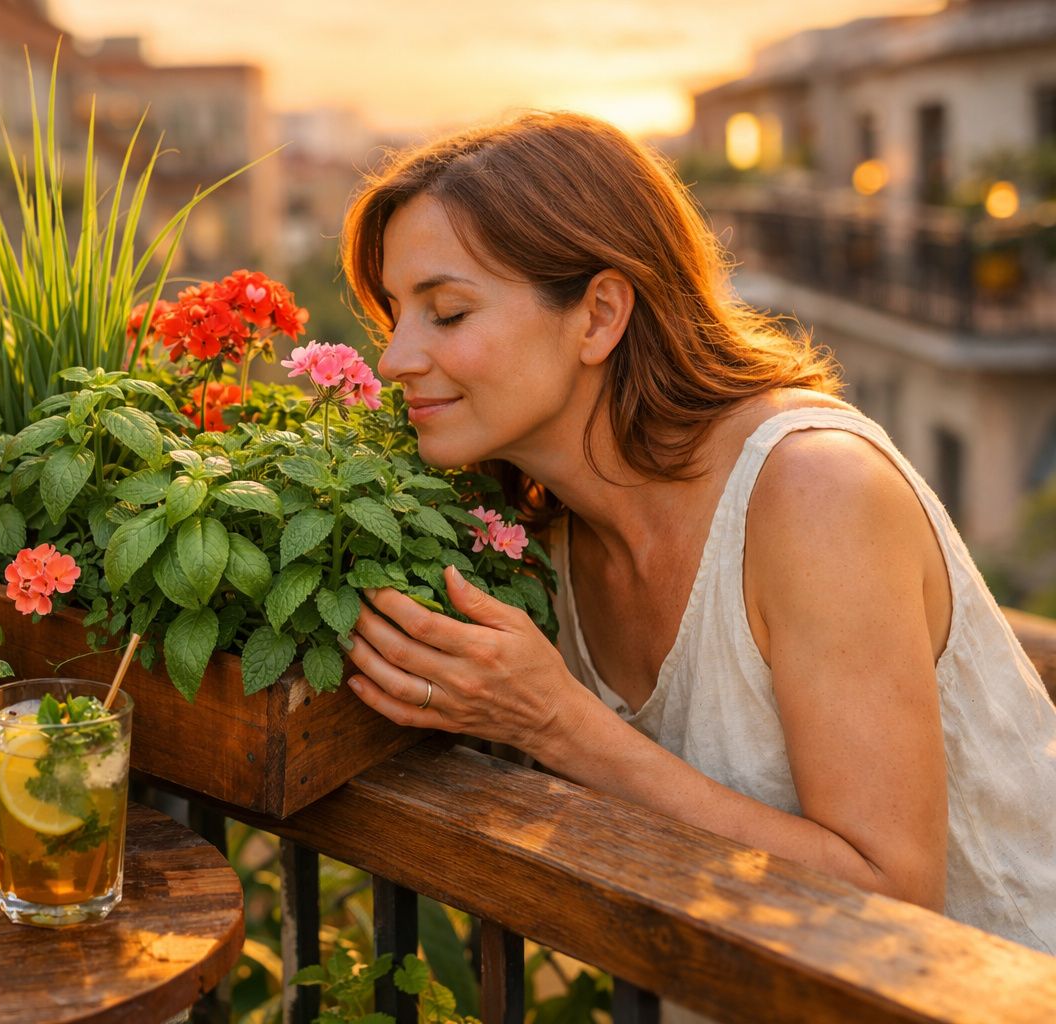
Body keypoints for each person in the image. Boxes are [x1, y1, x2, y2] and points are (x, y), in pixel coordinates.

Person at [338, 112, 1056, 954]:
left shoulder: (814, 491)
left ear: (600, 314)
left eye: (449, 313)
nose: (394, 360)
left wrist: (556, 724)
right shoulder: (541, 535)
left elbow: (894, 899)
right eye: (395, 315)